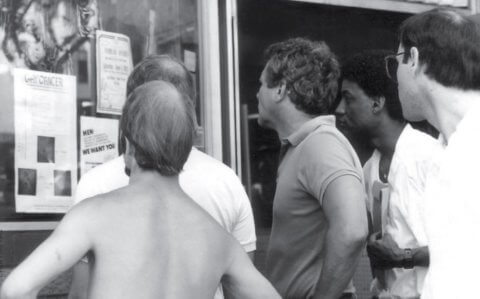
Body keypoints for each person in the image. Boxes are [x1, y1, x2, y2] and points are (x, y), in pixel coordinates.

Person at [0, 81, 280, 299]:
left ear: (130, 143)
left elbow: (16, 290)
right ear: (186, 150)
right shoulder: (219, 240)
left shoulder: (95, 215)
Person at [68, 55, 256, 299]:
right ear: (190, 110)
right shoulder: (226, 182)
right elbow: (242, 291)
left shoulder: (96, 185)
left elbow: (81, 293)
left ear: (131, 110)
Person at [257, 37, 368, 299]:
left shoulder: (321, 144)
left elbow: (352, 231)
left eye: (261, 84)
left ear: (281, 89)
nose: (257, 93)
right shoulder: (305, 145)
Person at [391, 8, 480, 299]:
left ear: (413, 59)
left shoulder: (469, 151)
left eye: (396, 62)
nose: (395, 81)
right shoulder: (450, 147)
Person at [336, 50, 437, 299]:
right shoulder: (368, 169)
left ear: (377, 103)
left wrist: (403, 257)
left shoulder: (429, 156)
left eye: (348, 99)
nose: (339, 109)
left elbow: (466, 246)